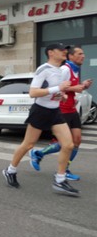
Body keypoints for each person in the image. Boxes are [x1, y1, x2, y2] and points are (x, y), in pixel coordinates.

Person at [2, 43, 78, 196]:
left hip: (55, 111)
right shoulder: (43, 70)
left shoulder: (62, 71)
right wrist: (58, 89)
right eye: (61, 50)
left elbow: (54, 92)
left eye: (66, 50)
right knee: (28, 144)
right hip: (40, 111)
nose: (65, 52)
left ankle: (60, 179)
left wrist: (61, 96)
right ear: (51, 53)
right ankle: (10, 170)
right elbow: (33, 92)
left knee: (68, 145)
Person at [29, 45, 92, 180]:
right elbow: (59, 88)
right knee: (65, 143)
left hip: (72, 108)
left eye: (83, 54)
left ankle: (64, 168)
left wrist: (81, 86)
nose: (83, 56)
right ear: (71, 56)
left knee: (77, 140)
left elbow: (68, 87)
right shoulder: (64, 69)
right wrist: (77, 88)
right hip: (62, 110)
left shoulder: (75, 69)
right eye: (80, 54)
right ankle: (41, 155)